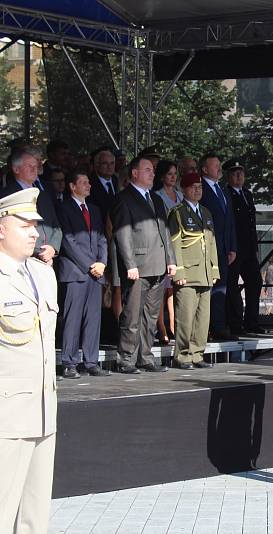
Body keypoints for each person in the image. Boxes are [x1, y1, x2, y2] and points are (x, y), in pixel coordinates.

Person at [0, 188, 59, 534]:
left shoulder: (43, 275)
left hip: (43, 411)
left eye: (36, 224)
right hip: (7, 417)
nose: (35, 232)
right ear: (2, 228)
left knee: (35, 516)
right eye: (25, 225)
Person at [112, 157, 176, 374]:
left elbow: (165, 232)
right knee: (132, 315)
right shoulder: (124, 198)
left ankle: (145, 357)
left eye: (153, 170)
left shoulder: (156, 200)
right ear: (135, 173)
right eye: (147, 170)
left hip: (158, 265)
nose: (152, 173)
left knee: (150, 316)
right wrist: (129, 264)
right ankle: (126, 359)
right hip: (137, 266)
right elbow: (123, 234)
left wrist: (171, 259)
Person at [56, 172, 110, 378]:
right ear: (72, 186)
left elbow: (102, 238)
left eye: (89, 182)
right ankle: (69, 362)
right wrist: (90, 264)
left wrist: (102, 263)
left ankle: (91, 361)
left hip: (96, 273)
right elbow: (69, 241)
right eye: (84, 183)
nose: (89, 186)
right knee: (73, 318)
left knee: (93, 319)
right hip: (76, 272)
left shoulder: (94, 210)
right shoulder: (64, 208)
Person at [168, 172, 218, 370]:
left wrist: (214, 270)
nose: (198, 190)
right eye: (193, 187)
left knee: (202, 318)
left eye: (200, 187)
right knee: (185, 317)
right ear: (184, 189)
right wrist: (178, 272)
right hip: (188, 273)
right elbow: (175, 243)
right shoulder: (178, 212)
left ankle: (197, 353)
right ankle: (182, 355)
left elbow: (211, 242)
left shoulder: (206, 212)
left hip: (204, 272)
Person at [199, 154, 238, 341]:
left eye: (219, 165)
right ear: (205, 169)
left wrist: (232, 247)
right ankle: (210, 327)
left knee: (222, 288)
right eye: (215, 166)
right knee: (211, 289)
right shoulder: (201, 189)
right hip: (208, 247)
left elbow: (229, 221)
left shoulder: (222, 190)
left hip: (223, 248)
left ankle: (219, 325)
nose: (219, 168)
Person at [2, 148, 62, 266]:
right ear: (16, 169)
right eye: (30, 166)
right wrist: (39, 252)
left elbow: (56, 225)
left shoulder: (44, 193)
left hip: (48, 260)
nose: (35, 169)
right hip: (22, 260)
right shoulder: (7, 195)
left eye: (36, 166)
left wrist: (52, 248)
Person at [225, 158, 264, 335]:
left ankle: (251, 321)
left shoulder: (247, 194)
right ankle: (235, 322)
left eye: (241, 172)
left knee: (255, 282)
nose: (239, 176)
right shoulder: (227, 195)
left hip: (248, 247)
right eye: (235, 173)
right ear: (228, 176)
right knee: (232, 284)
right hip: (235, 247)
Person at [154, 160, 183, 345]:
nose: (173, 177)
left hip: (179, 245)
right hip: (164, 244)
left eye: (175, 174)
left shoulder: (181, 196)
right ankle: (162, 327)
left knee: (174, 289)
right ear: (162, 176)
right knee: (162, 290)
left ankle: (174, 326)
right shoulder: (157, 196)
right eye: (170, 174)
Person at [87, 147, 119, 225]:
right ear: (97, 165)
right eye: (105, 163)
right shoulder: (89, 185)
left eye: (112, 163)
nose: (110, 167)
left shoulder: (118, 181)